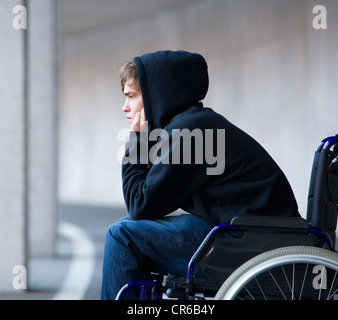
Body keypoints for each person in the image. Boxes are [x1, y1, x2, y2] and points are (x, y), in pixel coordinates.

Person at [101, 50, 300, 300]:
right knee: (126, 228)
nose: (125, 107)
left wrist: (137, 141)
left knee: (122, 236)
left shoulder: (191, 133)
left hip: (248, 244)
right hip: (247, 232)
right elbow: (148, 199)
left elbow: (140, 204)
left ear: (155, 96)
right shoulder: (194, 125)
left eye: (131, 96)